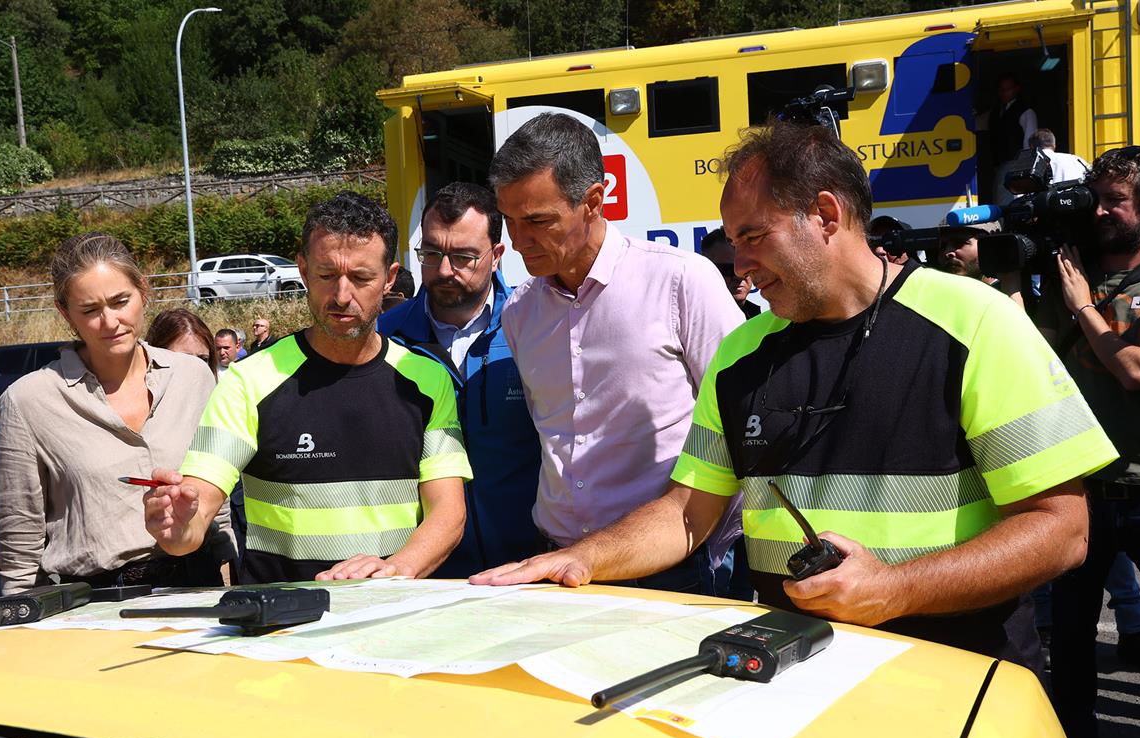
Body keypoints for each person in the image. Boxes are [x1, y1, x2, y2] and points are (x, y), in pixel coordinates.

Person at [474, 119, 1115, 673]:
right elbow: (686, 512)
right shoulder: (741, 355)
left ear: (827, 216)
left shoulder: (975, 322)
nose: (739, 264)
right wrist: (580, 560)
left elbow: (1063, 531)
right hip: (794, 678)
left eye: (754, 237)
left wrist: (895, 589)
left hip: (956, 675)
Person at [142, 192, 472, 583]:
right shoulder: (250, 381)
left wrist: (398, 567)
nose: (342, 295)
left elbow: (448, 513)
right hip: (284, 625)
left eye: (362, 278)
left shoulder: (427, 380)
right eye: (326, 275)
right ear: (302, 270)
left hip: (394, 614)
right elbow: (198, 504)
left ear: (389, 277)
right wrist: (177, 527)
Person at [487, 113, 745, 595]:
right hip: (557, 561)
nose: (518, 241)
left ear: (593, 201)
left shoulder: (681, 281)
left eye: (538, 221)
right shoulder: (520, 313)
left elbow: (741, 422)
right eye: (508, 220)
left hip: (674, 566)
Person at [0, 233, 222, 592]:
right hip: (97, 601)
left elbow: (216, 495)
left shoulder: (193, 378)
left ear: (143, 291)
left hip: (200, 584)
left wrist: (229, 578)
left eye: (120, 301)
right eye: (90, 310)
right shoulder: (28, 401)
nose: (110, 321)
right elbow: (20, 534)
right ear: (64, 313)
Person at [1037, 145, 1140, 738]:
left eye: (1116, 201)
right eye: (1095, 199)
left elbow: (1133, 370)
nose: (1100, 211)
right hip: (1084, 490)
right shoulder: (1068, 276)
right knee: (1072, 639)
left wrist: (1081, 303)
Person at [379, 181, 541, 577]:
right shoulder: (384, 338)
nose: (445, 270)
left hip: (531, 569)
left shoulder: (537, 324)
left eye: (464, 256)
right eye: (431, 254)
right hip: (426, 574)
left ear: (497, 254)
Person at [145, 309, 238, 584]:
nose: (195, 369)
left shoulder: (214, 408)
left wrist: (224, 564)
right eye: (184, 359)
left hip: (199, 562)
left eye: (202, 360)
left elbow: (220, 504)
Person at [988, 73, 1038, 204]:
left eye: (1007, 89)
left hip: (1015, 164)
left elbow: (1030, 142)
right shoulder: (996, 112)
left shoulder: (1026, 111)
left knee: (1008, 201)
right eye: (1001, 90)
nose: (1003, 93)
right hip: (1000, 164)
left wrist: (1025, 169)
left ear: (1016, 89)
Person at [702, 227, 761, 319]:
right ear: (707, 268)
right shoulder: (692, 322)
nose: (739, 275)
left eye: (746, 266)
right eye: (728, 269)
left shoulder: (762, 319)